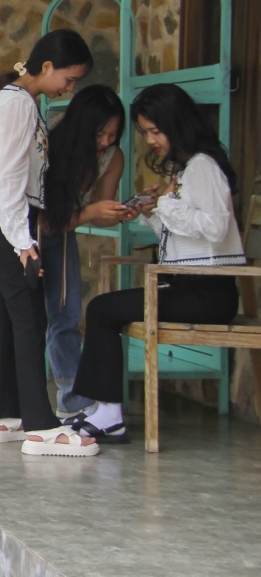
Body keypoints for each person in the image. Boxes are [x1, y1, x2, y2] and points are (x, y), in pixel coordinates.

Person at [67, 83, 245, 443]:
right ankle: (103, 409)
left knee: (102, 309)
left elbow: (215, 225)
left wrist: (166, 202)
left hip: (209, 291)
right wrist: (152, 209)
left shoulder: (204, 167)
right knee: (104, 308)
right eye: (146, 132)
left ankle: (109, 414)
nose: (150, 140)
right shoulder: (186, 169)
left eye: (154, 131)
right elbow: (187, 230)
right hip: (190, 285)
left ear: (177, 124)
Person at [0, 28, 100, 457]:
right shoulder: (18, 103)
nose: (69, 88)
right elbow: (9, 176)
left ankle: (5, 417)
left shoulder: (14, 99)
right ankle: (40, 426)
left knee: (5, 315)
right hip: (8, 220)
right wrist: (21, 240)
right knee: (28, 318)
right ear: (47, 66)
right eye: (68, 79)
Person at [40, 85, 137, 418]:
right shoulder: (51, 150)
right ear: (82, 125)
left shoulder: (113, 156)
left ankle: (74, 401)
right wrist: (90, 215)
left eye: (114, 133)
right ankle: (19, 402)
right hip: (30, 235)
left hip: (63, 234)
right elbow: (44, 220)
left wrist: (120, 211)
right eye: (100, 133)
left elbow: (99, 211)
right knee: (27, 318)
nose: (107, 141)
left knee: (65, 316)